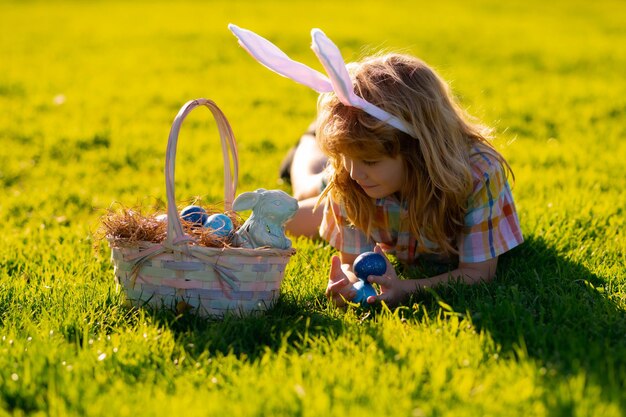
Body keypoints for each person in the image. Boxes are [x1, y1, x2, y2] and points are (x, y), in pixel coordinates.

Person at [228, 25, 523, 307]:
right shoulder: (350, 176)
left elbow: (478, 273)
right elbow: (351, 261)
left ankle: (316, 140)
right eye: (349, 157)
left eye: (369, 160)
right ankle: (309, 141)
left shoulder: (476, 174)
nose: (355, 173)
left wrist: (405, 289)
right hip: (351, 174)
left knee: (309, 199)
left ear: (419, 151)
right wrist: (349, 282)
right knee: (303, 191)